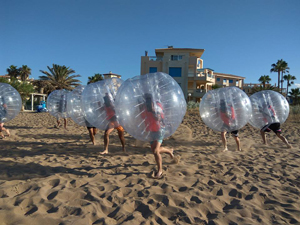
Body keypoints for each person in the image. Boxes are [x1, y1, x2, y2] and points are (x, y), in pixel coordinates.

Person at [141, 93, 174, 179]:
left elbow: (158, 118)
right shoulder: (144, 107)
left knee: (156, 151)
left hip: (160, 129)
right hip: (151, 130)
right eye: (146, 99)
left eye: (149, 99)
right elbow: (142, 118)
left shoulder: (158, 105)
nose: (147, 101)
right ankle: (169, 151)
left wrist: (152, 111)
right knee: (155, 151)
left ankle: (160, 170)